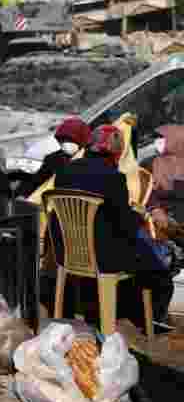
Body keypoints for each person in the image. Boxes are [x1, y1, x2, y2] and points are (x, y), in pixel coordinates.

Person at [52, 125, 174, 327]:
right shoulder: (114, 177)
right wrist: (138, 217)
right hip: (102, 257)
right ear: (114, 152)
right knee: (158, 270)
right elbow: (124, 225)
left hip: (68, 253)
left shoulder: (65, 171)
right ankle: (151, 318)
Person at [15, 117, 92, 198]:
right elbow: (35, 180)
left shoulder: (91, 162)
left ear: (82, 141)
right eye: (62, 140)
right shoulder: (53, 159)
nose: (65, 143)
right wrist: (21, 194)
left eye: (69, 140)